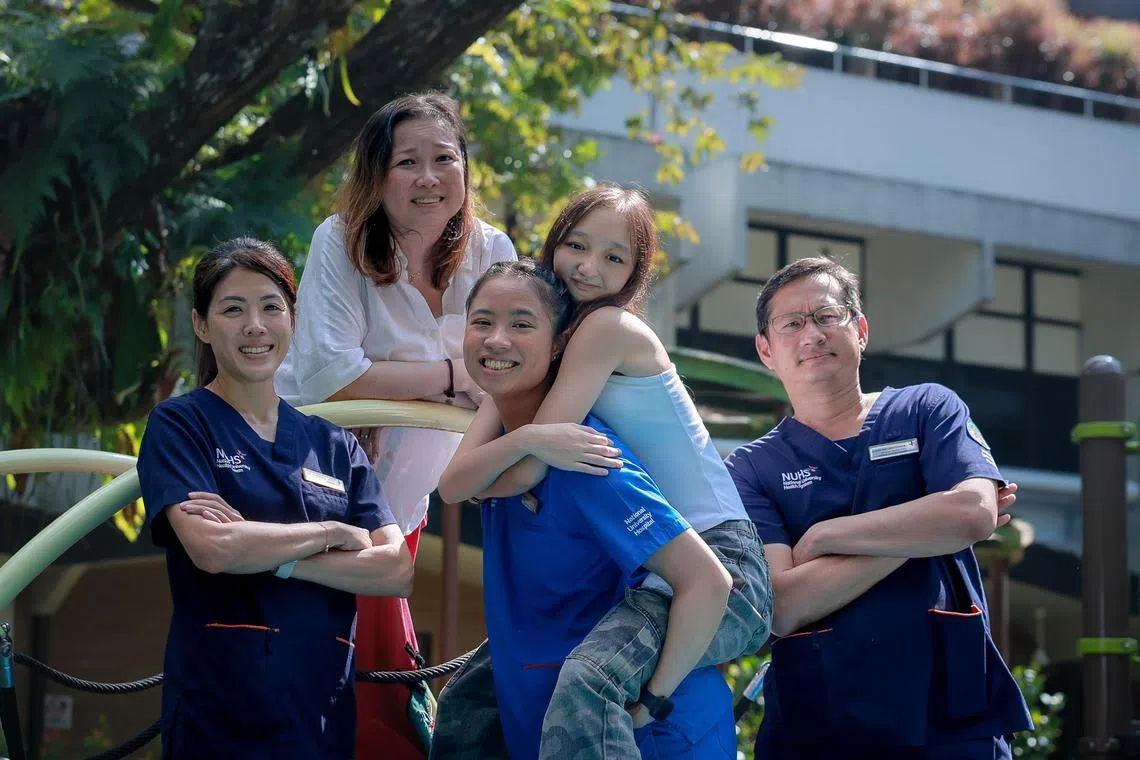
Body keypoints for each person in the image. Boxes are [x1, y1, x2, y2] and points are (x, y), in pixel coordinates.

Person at [433, 185, 772, 759]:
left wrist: (655, 698)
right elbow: (464, 477)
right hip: (659, 564)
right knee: (474, 697)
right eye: (576, 245)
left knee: (591, 681)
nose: (588, 268)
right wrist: (524, 444)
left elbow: (527, 471)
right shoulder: (534, 349)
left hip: (722, 562)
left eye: (614, 258)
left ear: (635, 274)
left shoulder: (603, 328)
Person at [274, 93, 517, 757]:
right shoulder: (342, 240)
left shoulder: (490, 250)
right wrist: (453, 379)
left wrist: (422, 378)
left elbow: (512, 365)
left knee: (381, 676)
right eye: (407, 162)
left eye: (445, 159)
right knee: (347, 678)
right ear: (377, 176)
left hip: (406, 499)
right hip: (317, 489)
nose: (429, 177)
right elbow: (335, 376)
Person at [724, 256, 1034, 759]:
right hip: (820, 724)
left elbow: (973, 514)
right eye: (792, 323)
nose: (812, 334)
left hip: (948, 719)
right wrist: (929, 527)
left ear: (860, 330)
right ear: (766, 349)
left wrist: (828, 536)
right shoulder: (751, 468)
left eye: (827, 317)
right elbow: (783, 605)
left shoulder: (926, 408)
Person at [136, 238, 414, 760]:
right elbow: (214, 549)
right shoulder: (180, 424)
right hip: (219, 713)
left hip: (321, 713)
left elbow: (395, 570)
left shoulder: (335, 445)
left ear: (293, 318)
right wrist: (332, 535)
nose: (255, 327)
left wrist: (273, 558)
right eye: (232, 309)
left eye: (270, 308)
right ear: (202, 325)